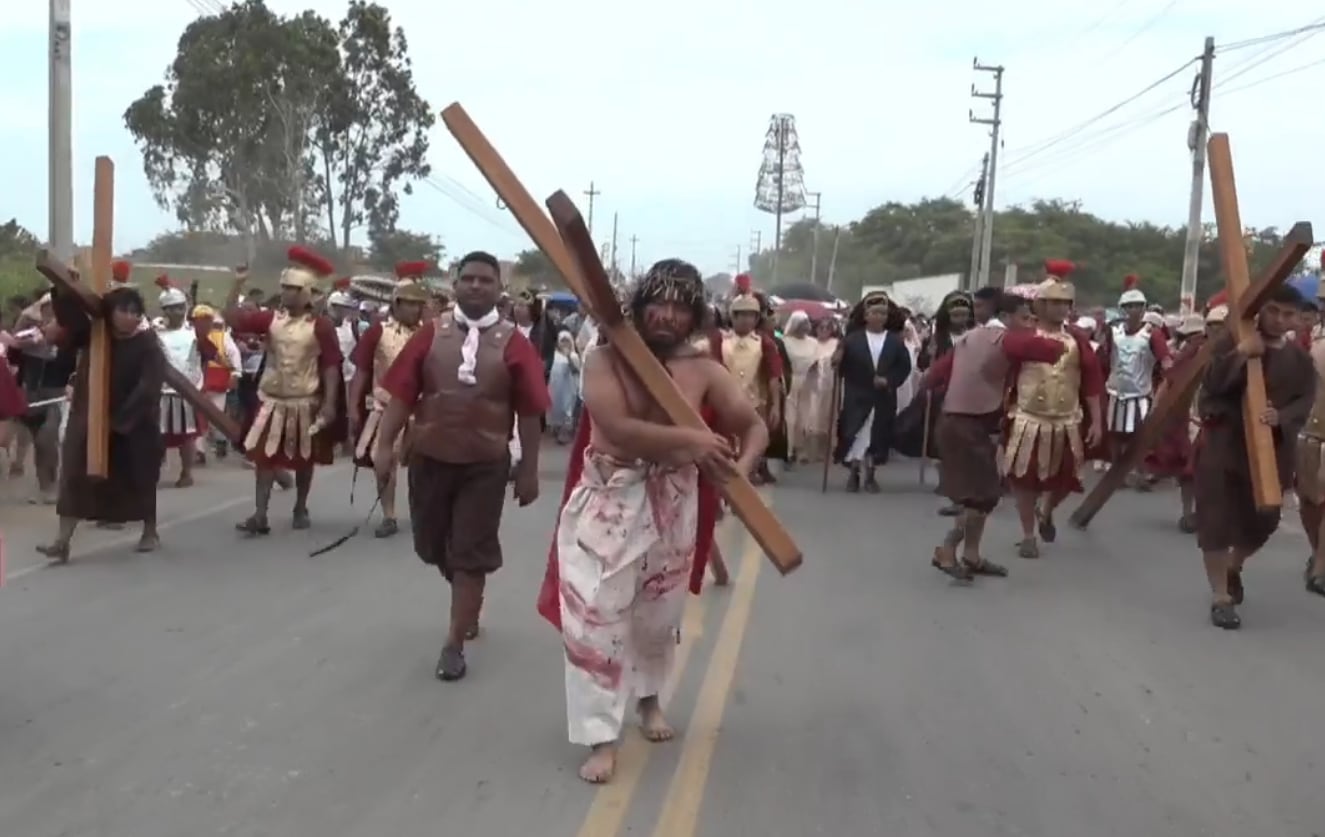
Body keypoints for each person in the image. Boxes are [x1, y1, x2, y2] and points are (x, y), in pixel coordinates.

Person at [537, 258, 766, 784]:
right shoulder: (603, 361)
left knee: (657, 617)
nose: (666, 316)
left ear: (694, 316)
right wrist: (694, 441)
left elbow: (752, 425)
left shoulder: (705, 370)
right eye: (656, 304)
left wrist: (739, 473)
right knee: (595, 619)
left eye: (679, 307)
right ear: (637, 309)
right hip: (609, 501)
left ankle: (647, 701)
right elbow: (617, 430)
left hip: (675, 502)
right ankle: (600, 736)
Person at [373, 250, 548, 681]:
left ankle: (454, 643)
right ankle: (467, 595)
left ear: (497, 288)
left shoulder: (515, 343)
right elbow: (402, 396)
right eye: (467, 278)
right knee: (432, 546)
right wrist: (382, 446)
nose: (475, 286)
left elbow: (529, 412)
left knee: (469, 552)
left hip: (485, 465)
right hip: (430, 457)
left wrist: (529, 470)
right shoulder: (431, 335)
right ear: (455, 284)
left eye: (485, 280)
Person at [922, 290, 1067, 579]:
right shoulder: (1005, 338)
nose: (1029, 323)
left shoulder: (969, 338)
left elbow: (931, 376)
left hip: (954, 421)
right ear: (1005, 317)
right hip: (968, 425)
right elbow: (1053, 352)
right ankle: (947, 548)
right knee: (983, 495)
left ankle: (972, 556)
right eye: (1025, 317)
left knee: (977, 495)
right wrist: (1050, 328)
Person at [1195, 285, 1315, 629]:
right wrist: (1241, 354)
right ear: (1261, 310)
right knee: (1215, 520)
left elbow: (1305, 400)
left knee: (1266, 519)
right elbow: (1211, 384)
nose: (1279, 319)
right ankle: (1220, 596)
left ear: (1297, 319)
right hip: (1224, 445)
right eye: (1273, 310)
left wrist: (1283, 416)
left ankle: (1235, 564)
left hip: (1270, 452)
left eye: (1288, 314)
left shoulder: (1300, 359)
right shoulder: (1234, 341)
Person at [36, 285, 167, 560]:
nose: (130, 317)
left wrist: (119, 422)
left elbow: (148, 388)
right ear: (110, 312)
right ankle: (62, 541)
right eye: (123, 310)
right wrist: (63, 290)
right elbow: (70, 318)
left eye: (135, 312)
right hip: (88, 420)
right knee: (74, 477)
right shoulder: (94, 335)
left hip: (134, 425)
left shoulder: (148, 344)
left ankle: (149, 531)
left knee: (140, 478)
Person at [223, 247, 346, 534]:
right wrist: (237, 283)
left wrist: (329, 404)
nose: (286, 293)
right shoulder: (270, 320)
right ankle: (260, 514)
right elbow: (232, 318)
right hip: (271, 401)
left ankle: (301, 506)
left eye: (293, 289)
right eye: (284, 288)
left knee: (305, 459)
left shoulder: (322, 326)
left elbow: (330, 366)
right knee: (262, 458)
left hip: (306, 400)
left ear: (306, 292)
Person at [1003, 261, 1105, 559]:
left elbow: (1093, 383)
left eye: (1065, 303)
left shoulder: (1078, 340)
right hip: (1027, 418)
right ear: (1040, 304)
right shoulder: (1023, 337)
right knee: (1024, 478)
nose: (1061, 308)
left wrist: (1097, 421)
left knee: (1067, 479)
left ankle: (1046, 510)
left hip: (1068, 420)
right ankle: (1027, 535)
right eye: (1055, 302)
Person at [347, 274, 429, 538]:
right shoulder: (377, 332)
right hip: (385, 408)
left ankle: (423, 513)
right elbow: (360, 371)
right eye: (409, 303)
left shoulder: (430, 333)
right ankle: (389, 514)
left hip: (424, 410)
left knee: (425, 465)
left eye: (418, 304)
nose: (414, 309)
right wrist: (352, 407)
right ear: (396, 304)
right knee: (384, 463)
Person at [832, 291, 912, 492]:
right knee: (856, 434)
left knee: (877, 436)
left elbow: (904, 367)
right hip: (857, 396)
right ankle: (854, 473)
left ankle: (871, 475)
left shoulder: (895, 341)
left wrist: (888, 381)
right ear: (866, 316)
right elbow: (841, 368)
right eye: (874, 313)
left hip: (883, 397)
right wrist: (837, 360)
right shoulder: (852, 340)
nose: (878, 317)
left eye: (882, 314)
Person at [1100, 274, 1171, 483]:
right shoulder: (1113, 331)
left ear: (1144, 308)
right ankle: (1116, 469)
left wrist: (1169, 379)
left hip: (1140, 392)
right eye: (1129, 306)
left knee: (1140, 434)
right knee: (1114, 433)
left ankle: (1140, 470)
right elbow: (1105, 358)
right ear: (1123, 309)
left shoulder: (1153, 334)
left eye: (1138, 306)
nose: (1133, 310)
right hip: (1115, 389)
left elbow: (1165, 360)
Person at [1144, 313, 1207, 531]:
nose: (1194, 341)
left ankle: (1202, 512)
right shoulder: (1184, 357)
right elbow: (1168, 383)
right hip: (1187, 419)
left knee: (1208, 471)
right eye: (1190, 337)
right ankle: (1188, 512)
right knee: (1187, 471)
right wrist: (1156, 410)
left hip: (1212, 420)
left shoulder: (1222, 356)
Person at [153, 276, 216, 487]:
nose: (178, 312)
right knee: (155, 435)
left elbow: (209, 355)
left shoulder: (194, 333)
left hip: (188, 392)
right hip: (160, 391)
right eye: (172, 308)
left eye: (181, 307)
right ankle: (152, 472)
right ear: (165, 310)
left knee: (187, 436)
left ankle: (186, 472)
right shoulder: (154, 332)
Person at [720, 289, 783, 484]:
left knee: (751, 446)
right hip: (723, 403)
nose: (747, 321)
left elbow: (774, 376)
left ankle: (747, 478)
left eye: (752, 316)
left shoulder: (765, 343)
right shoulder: (720, 341)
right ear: (733, 316)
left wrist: (775, 406)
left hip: (755, 403)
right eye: (743, 315)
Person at [781, 311, 819, 463]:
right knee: (789, 418)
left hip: (807, 382)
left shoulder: (813, 343)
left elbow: (816, 363)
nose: (805, 327)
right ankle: (788, 452)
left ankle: (800, 448)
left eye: (807, 324)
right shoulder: (785, 341)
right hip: (790, 381)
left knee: (804, 418)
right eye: (802, 324)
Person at [547, 330, 582, 443]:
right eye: (562, 341)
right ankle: (556, 428)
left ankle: (565, 433)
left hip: (569, 387)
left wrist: (568, 357)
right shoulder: (554, 355)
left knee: (567, 408)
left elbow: (576, 371)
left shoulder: (573, 356)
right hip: (555, 387)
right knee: (555, 407)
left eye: (567, 341)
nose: (564, 344)